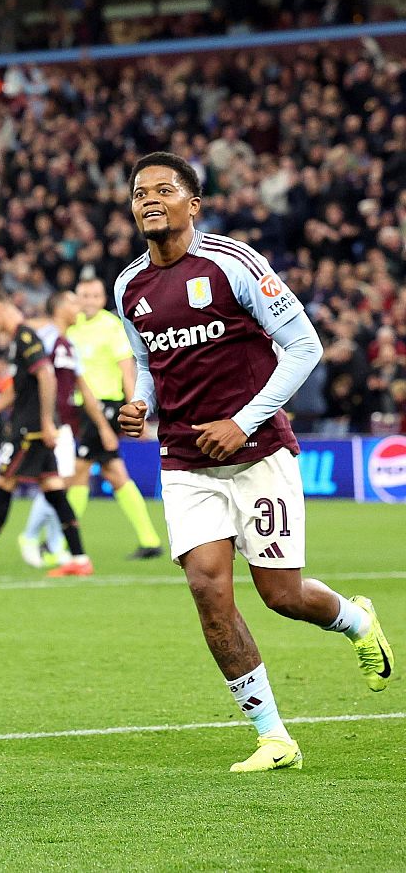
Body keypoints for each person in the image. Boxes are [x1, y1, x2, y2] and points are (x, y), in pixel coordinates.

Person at [115, 152, 393, 772]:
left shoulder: (233, 264)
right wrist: (138, 405)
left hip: (257, 454)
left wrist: (243, 421)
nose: (149, 200)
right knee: (207, 590)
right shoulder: (128, 286)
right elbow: (148, 363)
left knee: (282, 595)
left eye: (164, 190)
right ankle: (274, 737)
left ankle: (354, 620)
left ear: (194, 204)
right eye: (139, 193)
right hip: (184, 461)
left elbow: (304, 347)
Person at [0, 288, 93, 579]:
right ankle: (80, 558)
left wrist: (47, 422)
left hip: (30, 429)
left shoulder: (24, 337)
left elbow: (46, 375)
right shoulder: (18, 340)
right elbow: (17, 388)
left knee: (3, 485)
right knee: (55, 491)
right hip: (33, 425)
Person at [14, 292, 120, 570]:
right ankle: (31, 537)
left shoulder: (71, 345)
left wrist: (103, 426)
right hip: (44, 424)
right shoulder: (45, 339)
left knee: (58, 481)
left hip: (66, 424)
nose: (80, 306)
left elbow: (83, 387)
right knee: (56, 481)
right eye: (74, 302)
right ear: (60, 308)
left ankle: (52, 544)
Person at [66, 275, 163, 558]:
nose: (90, 301)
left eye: (95, 296)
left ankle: (61, 543)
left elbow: (127, 372)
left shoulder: (112, 327)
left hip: (105, 406)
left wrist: (137, 409)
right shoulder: (74, 327)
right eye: (85, 296)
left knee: (80, 471)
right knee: (114, 473)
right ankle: (149, 540)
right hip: (83, 408)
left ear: (103, 299)